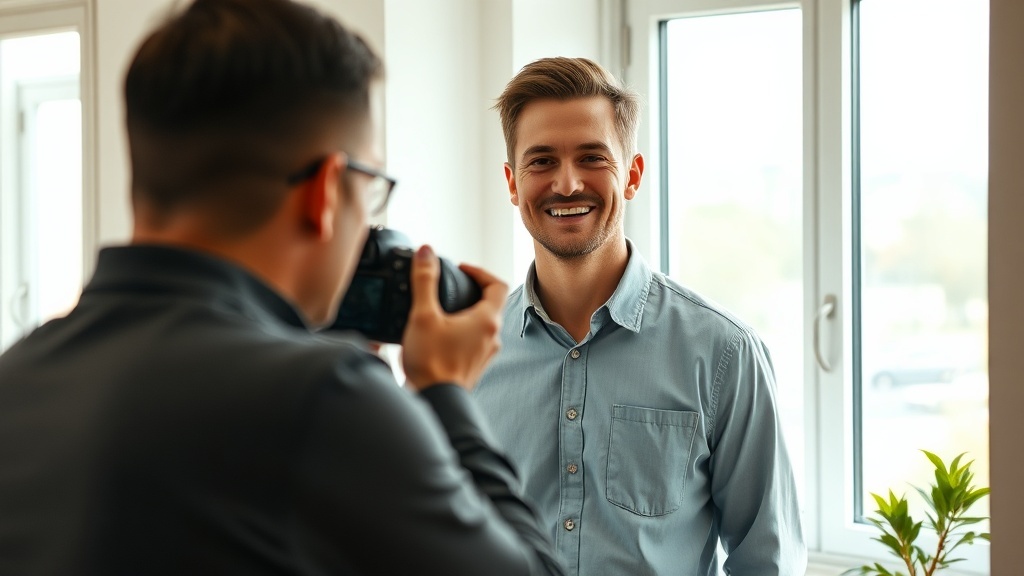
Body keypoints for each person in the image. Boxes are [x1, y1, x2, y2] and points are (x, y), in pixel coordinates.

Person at [0, 1, 565, 574]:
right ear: (326, 190)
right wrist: (447, 391)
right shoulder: (327, 398)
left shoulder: (17, 375)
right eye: (371, 186)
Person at [473, 56, 806, 575]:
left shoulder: (725, 355)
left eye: (591, 158)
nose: (566, 184)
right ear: (513, 183)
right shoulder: (468, 352)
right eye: (541, 161)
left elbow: (768, 561)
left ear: (631, 175)